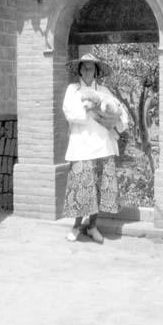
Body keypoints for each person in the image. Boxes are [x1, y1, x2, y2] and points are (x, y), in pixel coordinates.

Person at [62, 53, 128, 243]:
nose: (86, 71)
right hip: (81, 145)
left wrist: (110, 115)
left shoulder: (104, 90)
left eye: (90, 68)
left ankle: (92, 226)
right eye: (83, 67)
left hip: (102, 145)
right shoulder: (72, 90)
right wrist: (89, 108)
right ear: (79, 70)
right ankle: (76, 227)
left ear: (96, 71)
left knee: (98, 188)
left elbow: (118, 110)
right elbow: (69, 113)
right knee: (80, 187)